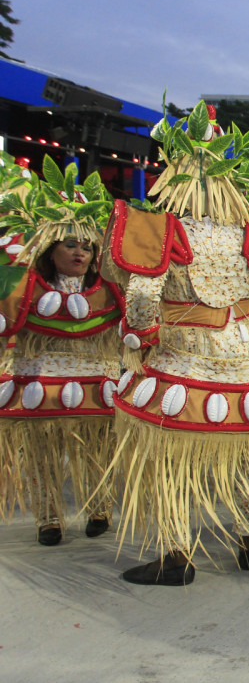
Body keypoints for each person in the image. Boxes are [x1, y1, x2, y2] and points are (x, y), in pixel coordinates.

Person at [104, 106, 249, 585]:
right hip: (245, 359)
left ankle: (175, 553)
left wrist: (139, 337)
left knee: (167, 459)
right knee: (244, 449)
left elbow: (140, 297)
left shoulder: (162, 228)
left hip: (183, 357)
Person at [0, 161, 121, 545]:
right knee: (42, 452)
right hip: (39, 377)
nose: (80, 254)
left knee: (95, 448)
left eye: (87, 247)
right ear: (50, 250)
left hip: (94, 379)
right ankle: (48, 517)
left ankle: (99, 508)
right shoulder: (24, 285)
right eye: (71, 245)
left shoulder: (109, 289)